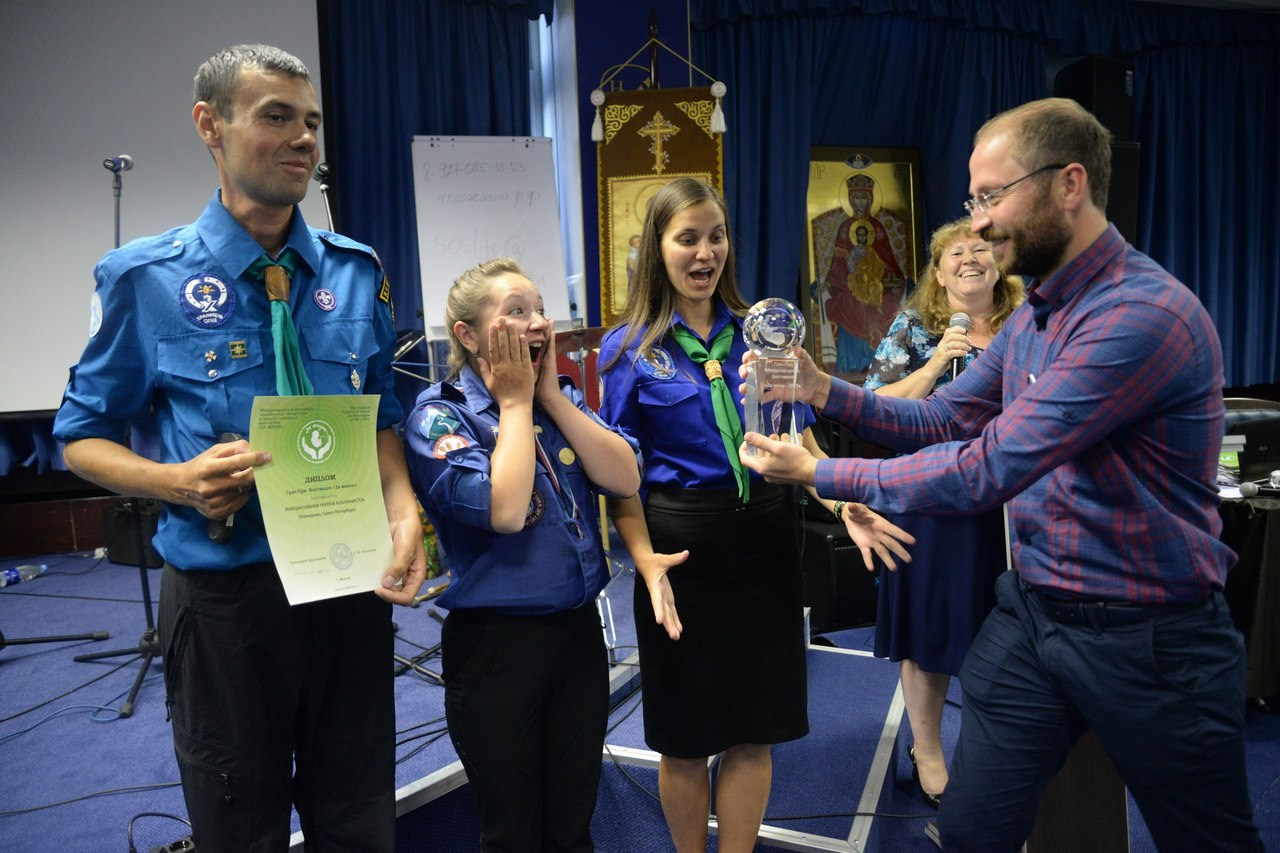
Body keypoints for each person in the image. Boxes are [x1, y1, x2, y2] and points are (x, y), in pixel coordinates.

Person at [738, 98, 1262, 851]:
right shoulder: (1036, 315)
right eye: (972, 200)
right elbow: (944, 418)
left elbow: (987, 466)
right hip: (1035, 616)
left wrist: (825, 470)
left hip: (1153, 638)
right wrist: (823, 389)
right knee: (972, 829)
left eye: (991, 196)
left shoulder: (1140, 315)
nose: (977, 223)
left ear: (1069, 184)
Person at [52, 45, 426, 849]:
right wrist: (176, 480)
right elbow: (80, 437)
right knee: (238, 826)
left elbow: (380, 416)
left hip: (347, 586)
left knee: (360, 817)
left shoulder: (357, 273)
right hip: (228, 604)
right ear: (210, 127)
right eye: (277, 117)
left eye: (312, 122)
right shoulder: (143, 279)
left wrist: (402, 510)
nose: (303, 139)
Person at [597, 177, 913, 852]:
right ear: (657, 249)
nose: (705, 251)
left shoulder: (763, 334)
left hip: (766, 546)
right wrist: (643, 556)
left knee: (752, 728)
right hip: (682, 554)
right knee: (685, 739)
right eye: (688, 238)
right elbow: (620, 477)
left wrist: (841, 498)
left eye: (716, 235)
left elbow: (799, 440)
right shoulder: (628, 350)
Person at [403, 258, 642, 851]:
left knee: (571, 821)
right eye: (516, 312)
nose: (537, 323)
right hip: (496, 649)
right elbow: (504, 510)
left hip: (577, 638)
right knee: (512, 829)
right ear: (466, 335)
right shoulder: (440, 414)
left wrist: (551, 400)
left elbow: (625, 476)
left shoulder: (556, 398)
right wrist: (513, 406)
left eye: (539, 309)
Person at [862, 218, 1025, 807]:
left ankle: (991, 753)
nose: (970, 259)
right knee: (930, 631)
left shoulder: (1026, 324)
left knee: (1002, 632)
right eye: (956, 252)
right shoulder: (916, 329)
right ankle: (927, 751)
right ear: (938, 272)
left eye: (981, 248)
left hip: (1006, 504)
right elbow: (874, 405)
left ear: (1000, 261)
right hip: (929, 500)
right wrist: (934, 368)